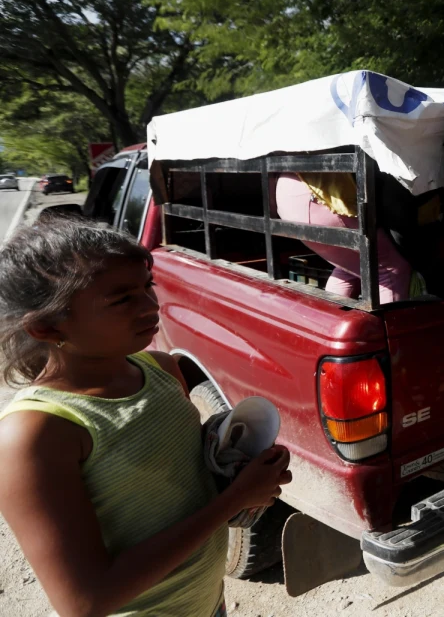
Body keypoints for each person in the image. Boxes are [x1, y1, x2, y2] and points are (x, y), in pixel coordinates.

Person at [0, 216, 291, 617]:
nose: (151, 306)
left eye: (147, 287)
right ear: (46, 327)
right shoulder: (37, 433)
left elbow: (175, 490)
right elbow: (85, 600)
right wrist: (232, 503)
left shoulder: (161, 369)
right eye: (122, 299)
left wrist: (236, 471)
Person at [272, 172, 416, 302]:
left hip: (288, 194)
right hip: (319, 194)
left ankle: (329, 324)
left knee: (352, 266)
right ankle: (385, 328)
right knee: (389, 268)